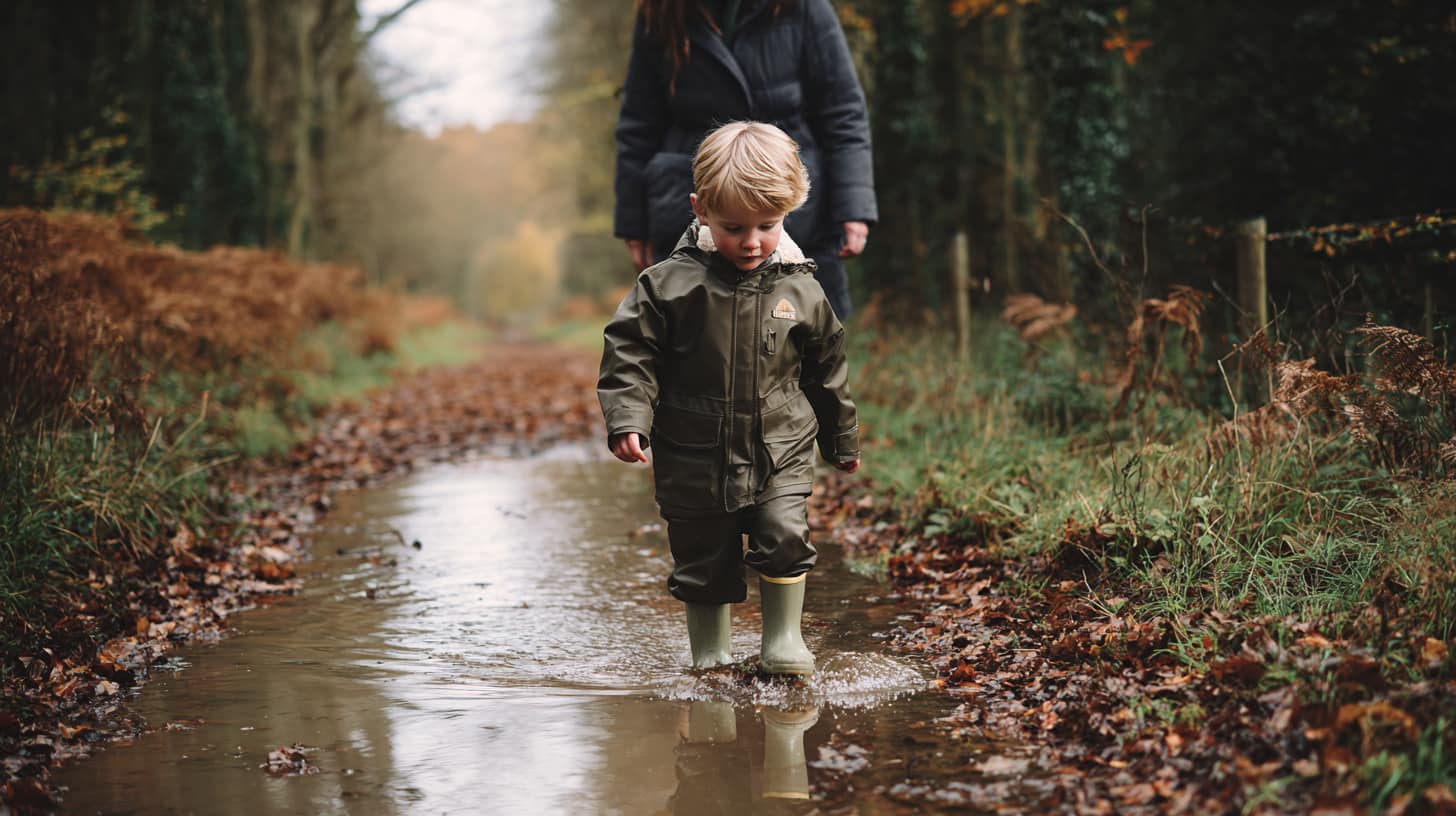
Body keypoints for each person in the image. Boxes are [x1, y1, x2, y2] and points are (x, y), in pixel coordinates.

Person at [598, 121, 860, 676]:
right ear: (700, 210)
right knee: (703, 555)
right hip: (694, 449)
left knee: (785, 534)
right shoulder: (669, 285)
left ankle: (783, 640)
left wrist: (841, 436)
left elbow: (827, 368)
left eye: (768, 225)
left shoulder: (802, 290)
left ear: (788, 213)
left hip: (781, 444)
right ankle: (710, 654)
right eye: (734, 226)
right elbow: (631, 353)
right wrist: (628, 418)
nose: (751, 241)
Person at [614, 0, 876, 319]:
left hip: (793, 209)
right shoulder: (662, 11)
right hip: (689, 209)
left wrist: (854, 205)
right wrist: (634, 222)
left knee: (803, 341)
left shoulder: (804, 6)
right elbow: (639, 124)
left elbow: (842, 111)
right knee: (689, 347)